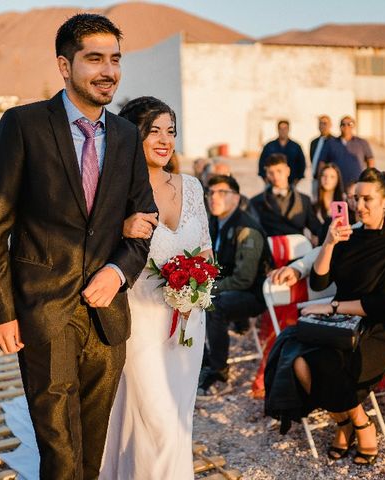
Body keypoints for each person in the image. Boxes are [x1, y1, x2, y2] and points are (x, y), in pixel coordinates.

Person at [0, 14, 157, 479]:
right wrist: (1, 310)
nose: (108, 71)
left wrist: (116, 272)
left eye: (115, 59)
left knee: (91, 446)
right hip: (43, 308)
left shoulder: (125, 136)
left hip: (106, 313)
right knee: (58, 448)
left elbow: (144, 222)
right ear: (64, 65)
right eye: (94, 58)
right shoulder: (24, 125)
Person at [265, 168, 385, 466]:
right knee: (296, 359)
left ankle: (355, 423)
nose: (360, 205)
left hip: (377, 329)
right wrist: (330, 243)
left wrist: (329, 308)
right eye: (355, 197)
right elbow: (319, 283)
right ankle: (350, 421)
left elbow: (383, 305)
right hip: (339, 326)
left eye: (367, 198)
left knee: (329, 362)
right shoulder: (345, 236)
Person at [101, 96, 213, 480]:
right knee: (157, 419)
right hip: (140, 322)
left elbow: (208, 250)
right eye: (154, 131)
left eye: (170, 131)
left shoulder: (193, 187)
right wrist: (120, 228)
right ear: (133, 136)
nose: (165, 140)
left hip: (188, 321)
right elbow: (95, 247)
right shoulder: (116, 191)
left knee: (178, 418)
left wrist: (199, 285)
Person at [197, 175, 268, 396]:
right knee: (185, 297)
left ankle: (219, 371)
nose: (213, 198)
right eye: (211, 192)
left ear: (236, 199)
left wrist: (207, 289)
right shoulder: (215, 221)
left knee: (214, 305)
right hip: (226, 286)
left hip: (253, 294)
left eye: (221, 193)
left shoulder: (246, 229)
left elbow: (244, 279)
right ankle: (202, 362)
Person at [249, 153, 322, 238]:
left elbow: (317, 228)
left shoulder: (304, 200)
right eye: (270, 172)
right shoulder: (256, 202)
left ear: (287, 171)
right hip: (270, 249)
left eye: (279, 171)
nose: (275, 176)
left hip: (297, 249)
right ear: (267, 174)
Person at [319, 116, 374, 187]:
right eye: (343, 124)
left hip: (356, 185)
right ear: (340, 126)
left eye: (349, 124)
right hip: (336, 185)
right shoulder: (331, 143)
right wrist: (321, 180)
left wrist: (368, 179)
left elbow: (370, 161)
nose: (346, 126)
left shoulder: (362, 143)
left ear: (354, 126)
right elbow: (322, 163)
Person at [258, 120, 306, 185]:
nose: (283, 131)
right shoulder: (269, 146)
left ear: (289, 129)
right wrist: (266, 181)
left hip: (291, 183)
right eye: (281, 128)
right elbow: (262, 164)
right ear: (277, 129)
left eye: (285, 128)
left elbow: (301, 165)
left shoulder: (296, 147)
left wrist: (295, 182)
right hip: (271, 183)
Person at [310, 115, 336, 198]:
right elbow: (312, 159)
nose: (323, 126)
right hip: (316, 179)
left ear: (330, 125)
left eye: (325, 123)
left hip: (329, 179)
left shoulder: (335, 142)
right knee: (315, 202)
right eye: (321, 123)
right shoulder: (313, 142)